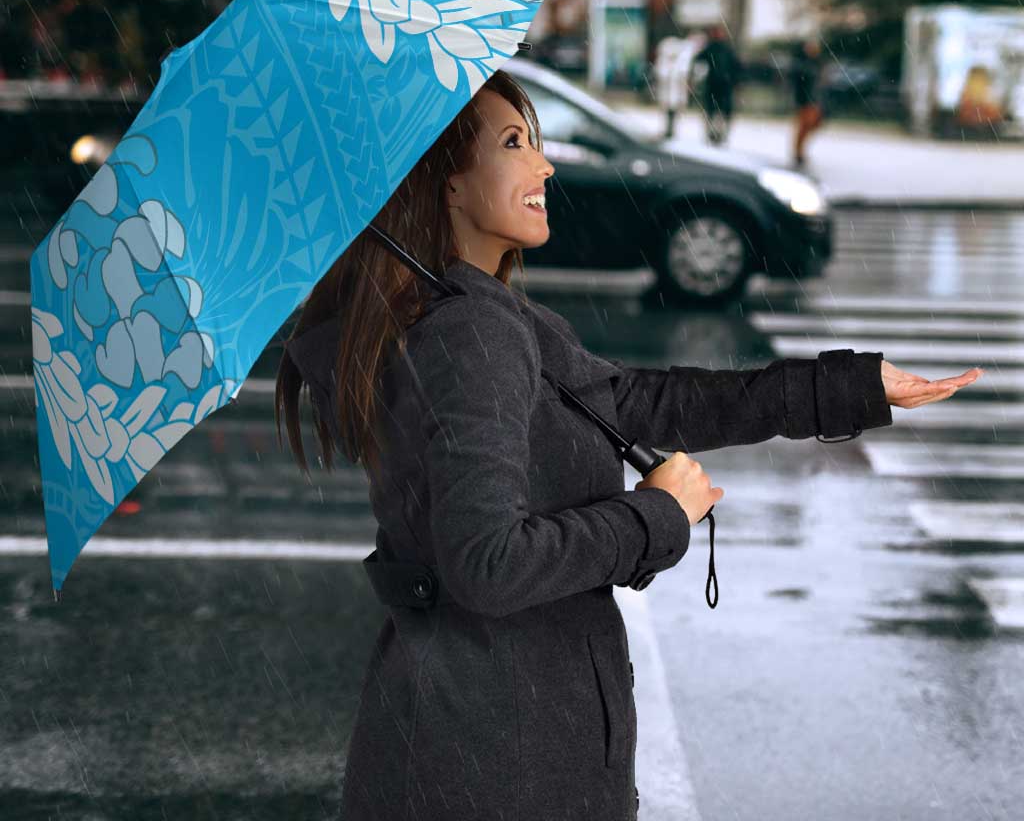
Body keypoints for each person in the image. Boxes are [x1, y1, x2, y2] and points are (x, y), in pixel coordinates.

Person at [275, 68, 979, 821]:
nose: (544, 165)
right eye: (514, 143)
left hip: (477, 739)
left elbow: (640, 402)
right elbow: (487, 564)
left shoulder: (476, 315)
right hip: (498, 759)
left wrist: (850, 388)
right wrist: (655, 516)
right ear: (444, 182)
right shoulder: (469, 333)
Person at [692, 23, 742, 146]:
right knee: (713, 111)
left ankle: (719, 134)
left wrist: (735, 81)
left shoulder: (725, 49)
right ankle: (713, 134)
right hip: (715, 85)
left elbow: (736, 67)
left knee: (720, 112)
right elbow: (698, 61)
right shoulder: (712, 48)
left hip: (723, 85)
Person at [790, 36, 826, 167]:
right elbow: (799, 83)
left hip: (814, 100)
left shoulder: (817, 63)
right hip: (805, 100)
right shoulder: (802, 64)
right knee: (804, 126)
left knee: (812, 125)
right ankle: (798, 152)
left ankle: (799, 151)